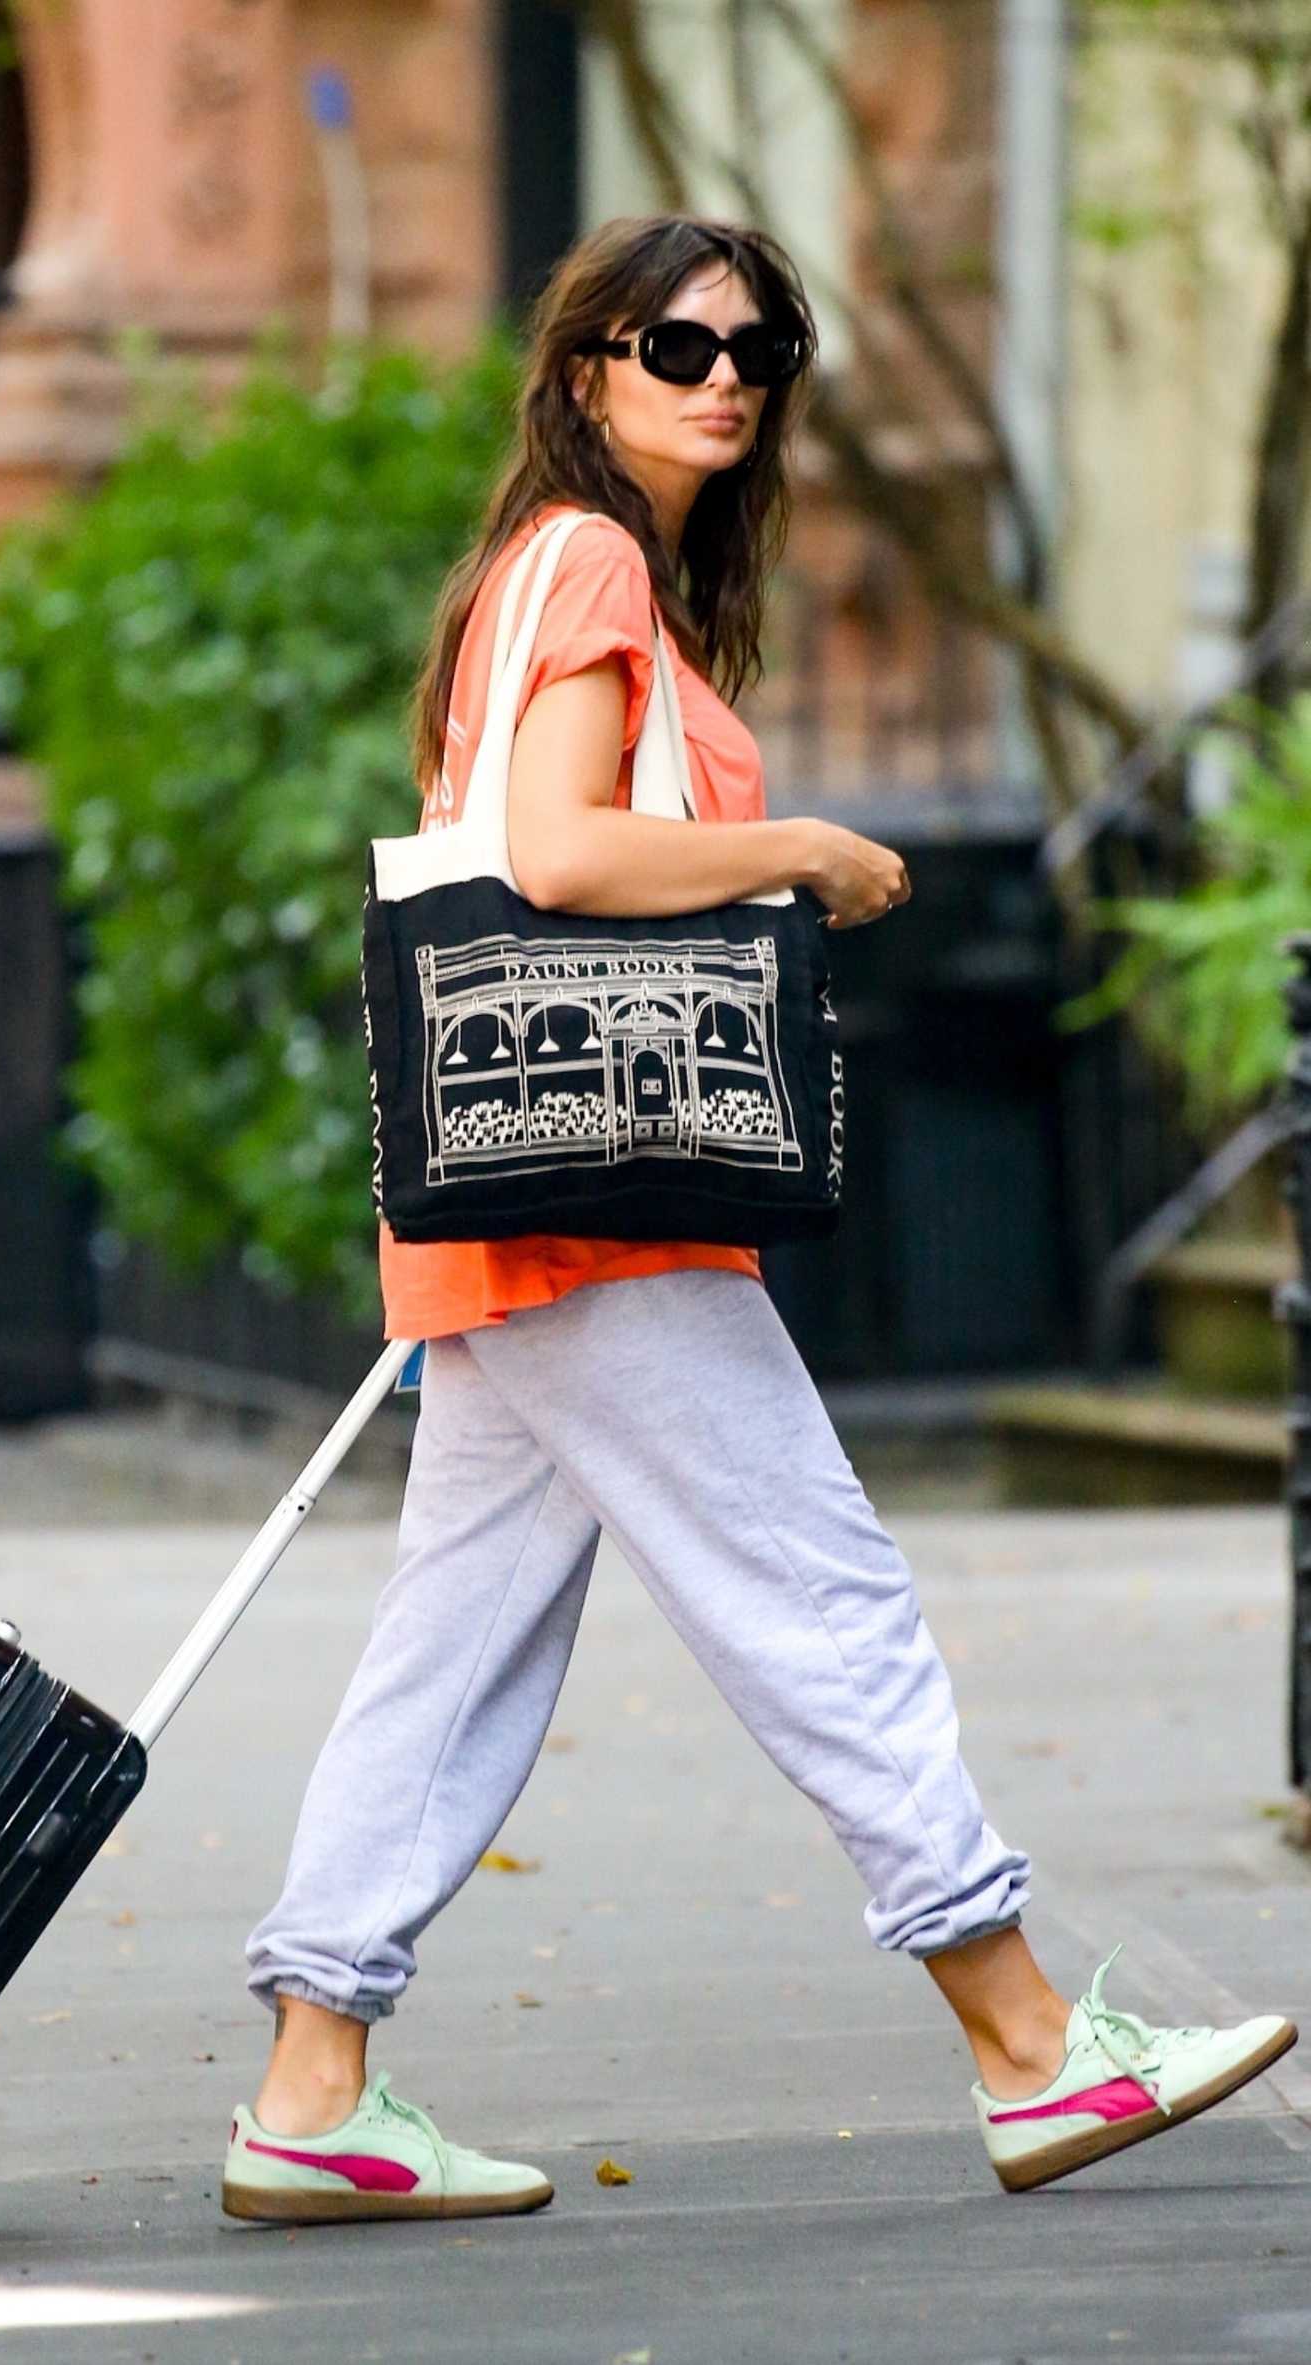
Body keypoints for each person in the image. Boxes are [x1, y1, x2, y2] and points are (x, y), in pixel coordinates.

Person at [223, 215, 1296, 2223]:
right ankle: (1027, 2037)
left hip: (527, 1217)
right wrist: (789, 847)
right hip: (595, 1214)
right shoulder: (592, 556)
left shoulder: (559, 570)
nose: (725, 372)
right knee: (818, 1587)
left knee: (453, 1648)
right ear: (581, 368)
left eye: (761, 344)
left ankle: (313, 2077)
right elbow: (554, 851)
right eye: (680, 339)